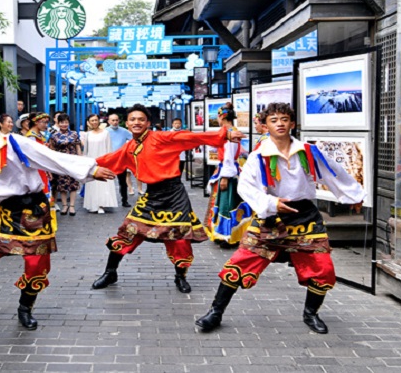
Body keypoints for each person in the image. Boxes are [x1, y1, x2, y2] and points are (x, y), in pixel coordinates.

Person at [0, 104, 115, 329]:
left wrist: (90, 170)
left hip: (33, 211)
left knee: (36, 265)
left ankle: (25, 307)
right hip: (4, 213)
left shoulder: (15, 143)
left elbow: (51, 157)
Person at [195, 102, 365, 334]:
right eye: (273, 120)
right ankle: (215, 312)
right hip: (271, 216)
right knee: (240, 262)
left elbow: (333, 172)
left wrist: (353, 195)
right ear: (265, 126)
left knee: (322, 266)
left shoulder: (308, 151)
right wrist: (271, 203)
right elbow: (246, 187)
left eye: (284, 119)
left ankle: (311, 314)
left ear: (292, 123)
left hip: (304, 215)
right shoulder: (258, 156)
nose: (280, 124)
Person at [91, 104, 245, 293]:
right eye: (132, 119)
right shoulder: (130, 146)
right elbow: (109, 159)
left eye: (141, 119)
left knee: (179, 239)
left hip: (174, 195)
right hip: (152, 195)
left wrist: (223, 135)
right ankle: (110, 272)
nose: (136, 122)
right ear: (128, 123)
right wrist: (83, 167)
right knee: (128, 231)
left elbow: (189, 137)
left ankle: (180, 277)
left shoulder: (161, 137)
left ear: (148, 123)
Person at [205, 103, 249, 247]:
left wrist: (224, 177)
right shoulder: (227, 131)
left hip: (227, 172)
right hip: (226, 169)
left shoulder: (230, 133)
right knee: (223, 202)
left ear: (221, 117)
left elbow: (229, 156)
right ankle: (221, 233)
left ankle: (226, 235)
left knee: (226, 204)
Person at [82, 114, 119, 214]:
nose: (94, 122)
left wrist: (109, 161)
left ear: (99, 121)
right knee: (92, 183)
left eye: (95, 120)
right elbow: (86, 151)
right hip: (91, 162)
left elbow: (109, 149)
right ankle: (93, 204)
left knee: (102, 183)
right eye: (92, 120)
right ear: (89, 122)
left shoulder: (105, 133)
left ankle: (101, 204)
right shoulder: (88, 134)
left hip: (103, 161)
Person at [48, 113, 82, 216]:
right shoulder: (54, 135)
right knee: (61, 184)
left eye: (66, 122)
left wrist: (80, 159)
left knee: (73, 183)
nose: (64, 124)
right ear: (58, 123)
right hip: (61, 162)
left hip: (72, 161)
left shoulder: (74, 134)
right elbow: (52, 149)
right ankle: (64, 205)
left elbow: (78, 147)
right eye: (62, 122)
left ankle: (71, 206)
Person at [106, 113, 133, 208]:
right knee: (107, 181)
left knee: (122, 182)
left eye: (116, 120)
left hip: (121, 159)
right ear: (108, 121)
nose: (115, 122)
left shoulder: (124, 131)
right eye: (112, 120)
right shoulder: (105, 132)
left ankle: (124, 200)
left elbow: (134, 140)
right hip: (109, 159)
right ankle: (107, 201)